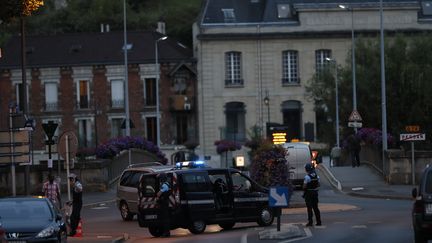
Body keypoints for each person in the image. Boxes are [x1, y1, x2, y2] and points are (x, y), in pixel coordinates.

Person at [156, 173, 171, 237]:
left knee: (165, 218)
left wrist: (157, 196)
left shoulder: (164, 185)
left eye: (160, 178)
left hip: (164, 203)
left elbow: (159, 194)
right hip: (165, 203)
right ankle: (165, 232)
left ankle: (166, 232)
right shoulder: (167, 184)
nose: (159, 180)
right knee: (165, 218)